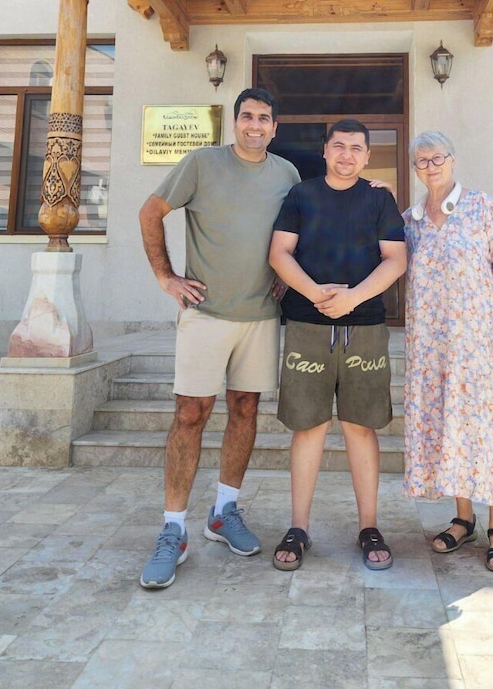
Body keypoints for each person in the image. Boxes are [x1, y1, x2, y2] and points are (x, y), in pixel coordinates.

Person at [138, 88, 300, 589]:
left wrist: (286, 277)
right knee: (190, 415)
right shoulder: (201, 164)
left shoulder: (288, 175)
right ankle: (173, 530)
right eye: (247, 116)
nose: (255, 125)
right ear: (235, 122)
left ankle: (223, 512)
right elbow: (150, 212)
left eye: (264, 118)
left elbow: (298, 232)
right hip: (205, 315)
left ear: (275, 127)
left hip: (260, 316)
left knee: (246, 410)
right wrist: (166, 278)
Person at [268, 118, 407, 572]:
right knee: (307, 427)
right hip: (307, 327)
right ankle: (299, 527)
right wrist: (316, 295)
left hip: (365, 328)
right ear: (325, 151)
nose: (347, 154)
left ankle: (368, 525)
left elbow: (396, 259)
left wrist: (353, 298)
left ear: (367, 156)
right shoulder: (301, 196)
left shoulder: (379, 198)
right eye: (339, 146)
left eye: (356, 148)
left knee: (359, 428)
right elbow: (279, 253)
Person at [402, 131, 493, 573]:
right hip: (432, 348)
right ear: (415, 169)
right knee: (448, 426)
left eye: (437, 158)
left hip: (479, 345)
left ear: (452, 161)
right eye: (422, 162)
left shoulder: (480, 206)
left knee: (486, 428)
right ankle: (463, 517)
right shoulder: (410, 220)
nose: (430, 167)